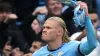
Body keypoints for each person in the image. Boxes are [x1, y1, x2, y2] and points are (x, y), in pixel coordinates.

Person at [32, 2, 97, 55]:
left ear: (59, 32)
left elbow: (92, 45)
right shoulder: (38, 54)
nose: (44, 30)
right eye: (44, 27)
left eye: (48, 28)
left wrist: (86, 17)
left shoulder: (73, 47)